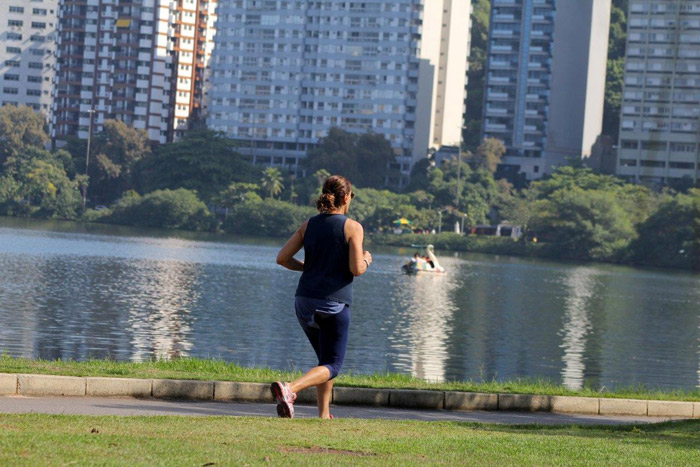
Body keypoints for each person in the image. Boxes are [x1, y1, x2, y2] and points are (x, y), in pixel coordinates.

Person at [273, 174, 372, 419]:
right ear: (346, 197)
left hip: (303, 301)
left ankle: (324, 415)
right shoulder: (352, 227)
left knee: (324, 362)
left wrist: (307, 267)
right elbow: (356, 269)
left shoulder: (308, 225)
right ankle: (290, 389)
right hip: (333, 304)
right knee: (333, 365)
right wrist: (368, 259)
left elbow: (282, 258)